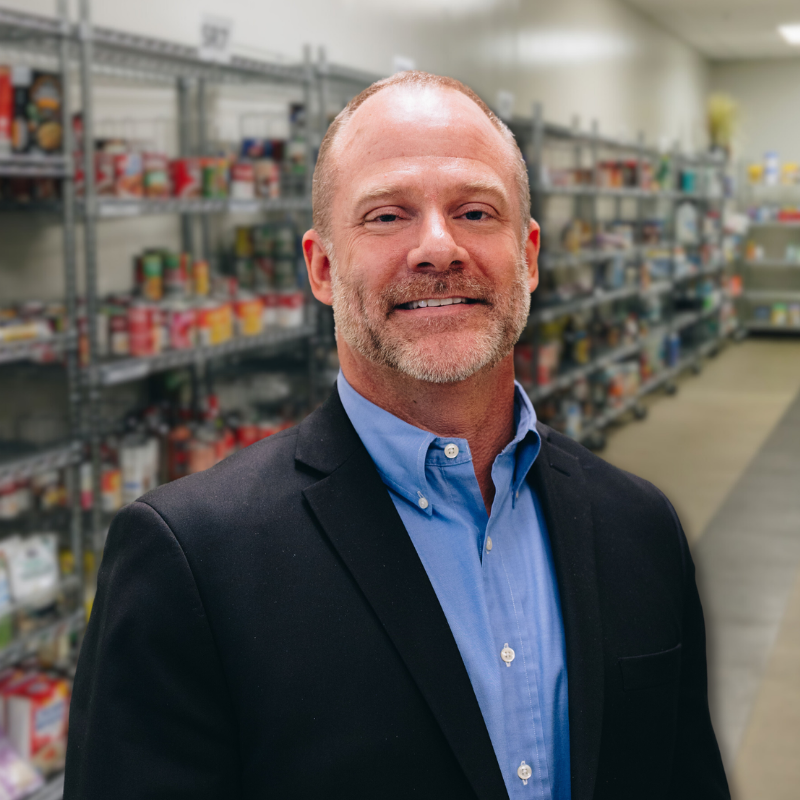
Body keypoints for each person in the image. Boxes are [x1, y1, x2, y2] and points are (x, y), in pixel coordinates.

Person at [65, 72, 730, 800]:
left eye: (476, 211)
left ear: (530, 256)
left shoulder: (640, 527)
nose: (438, 249)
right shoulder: (189, 561)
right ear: (321, 268)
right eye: (387, 216)